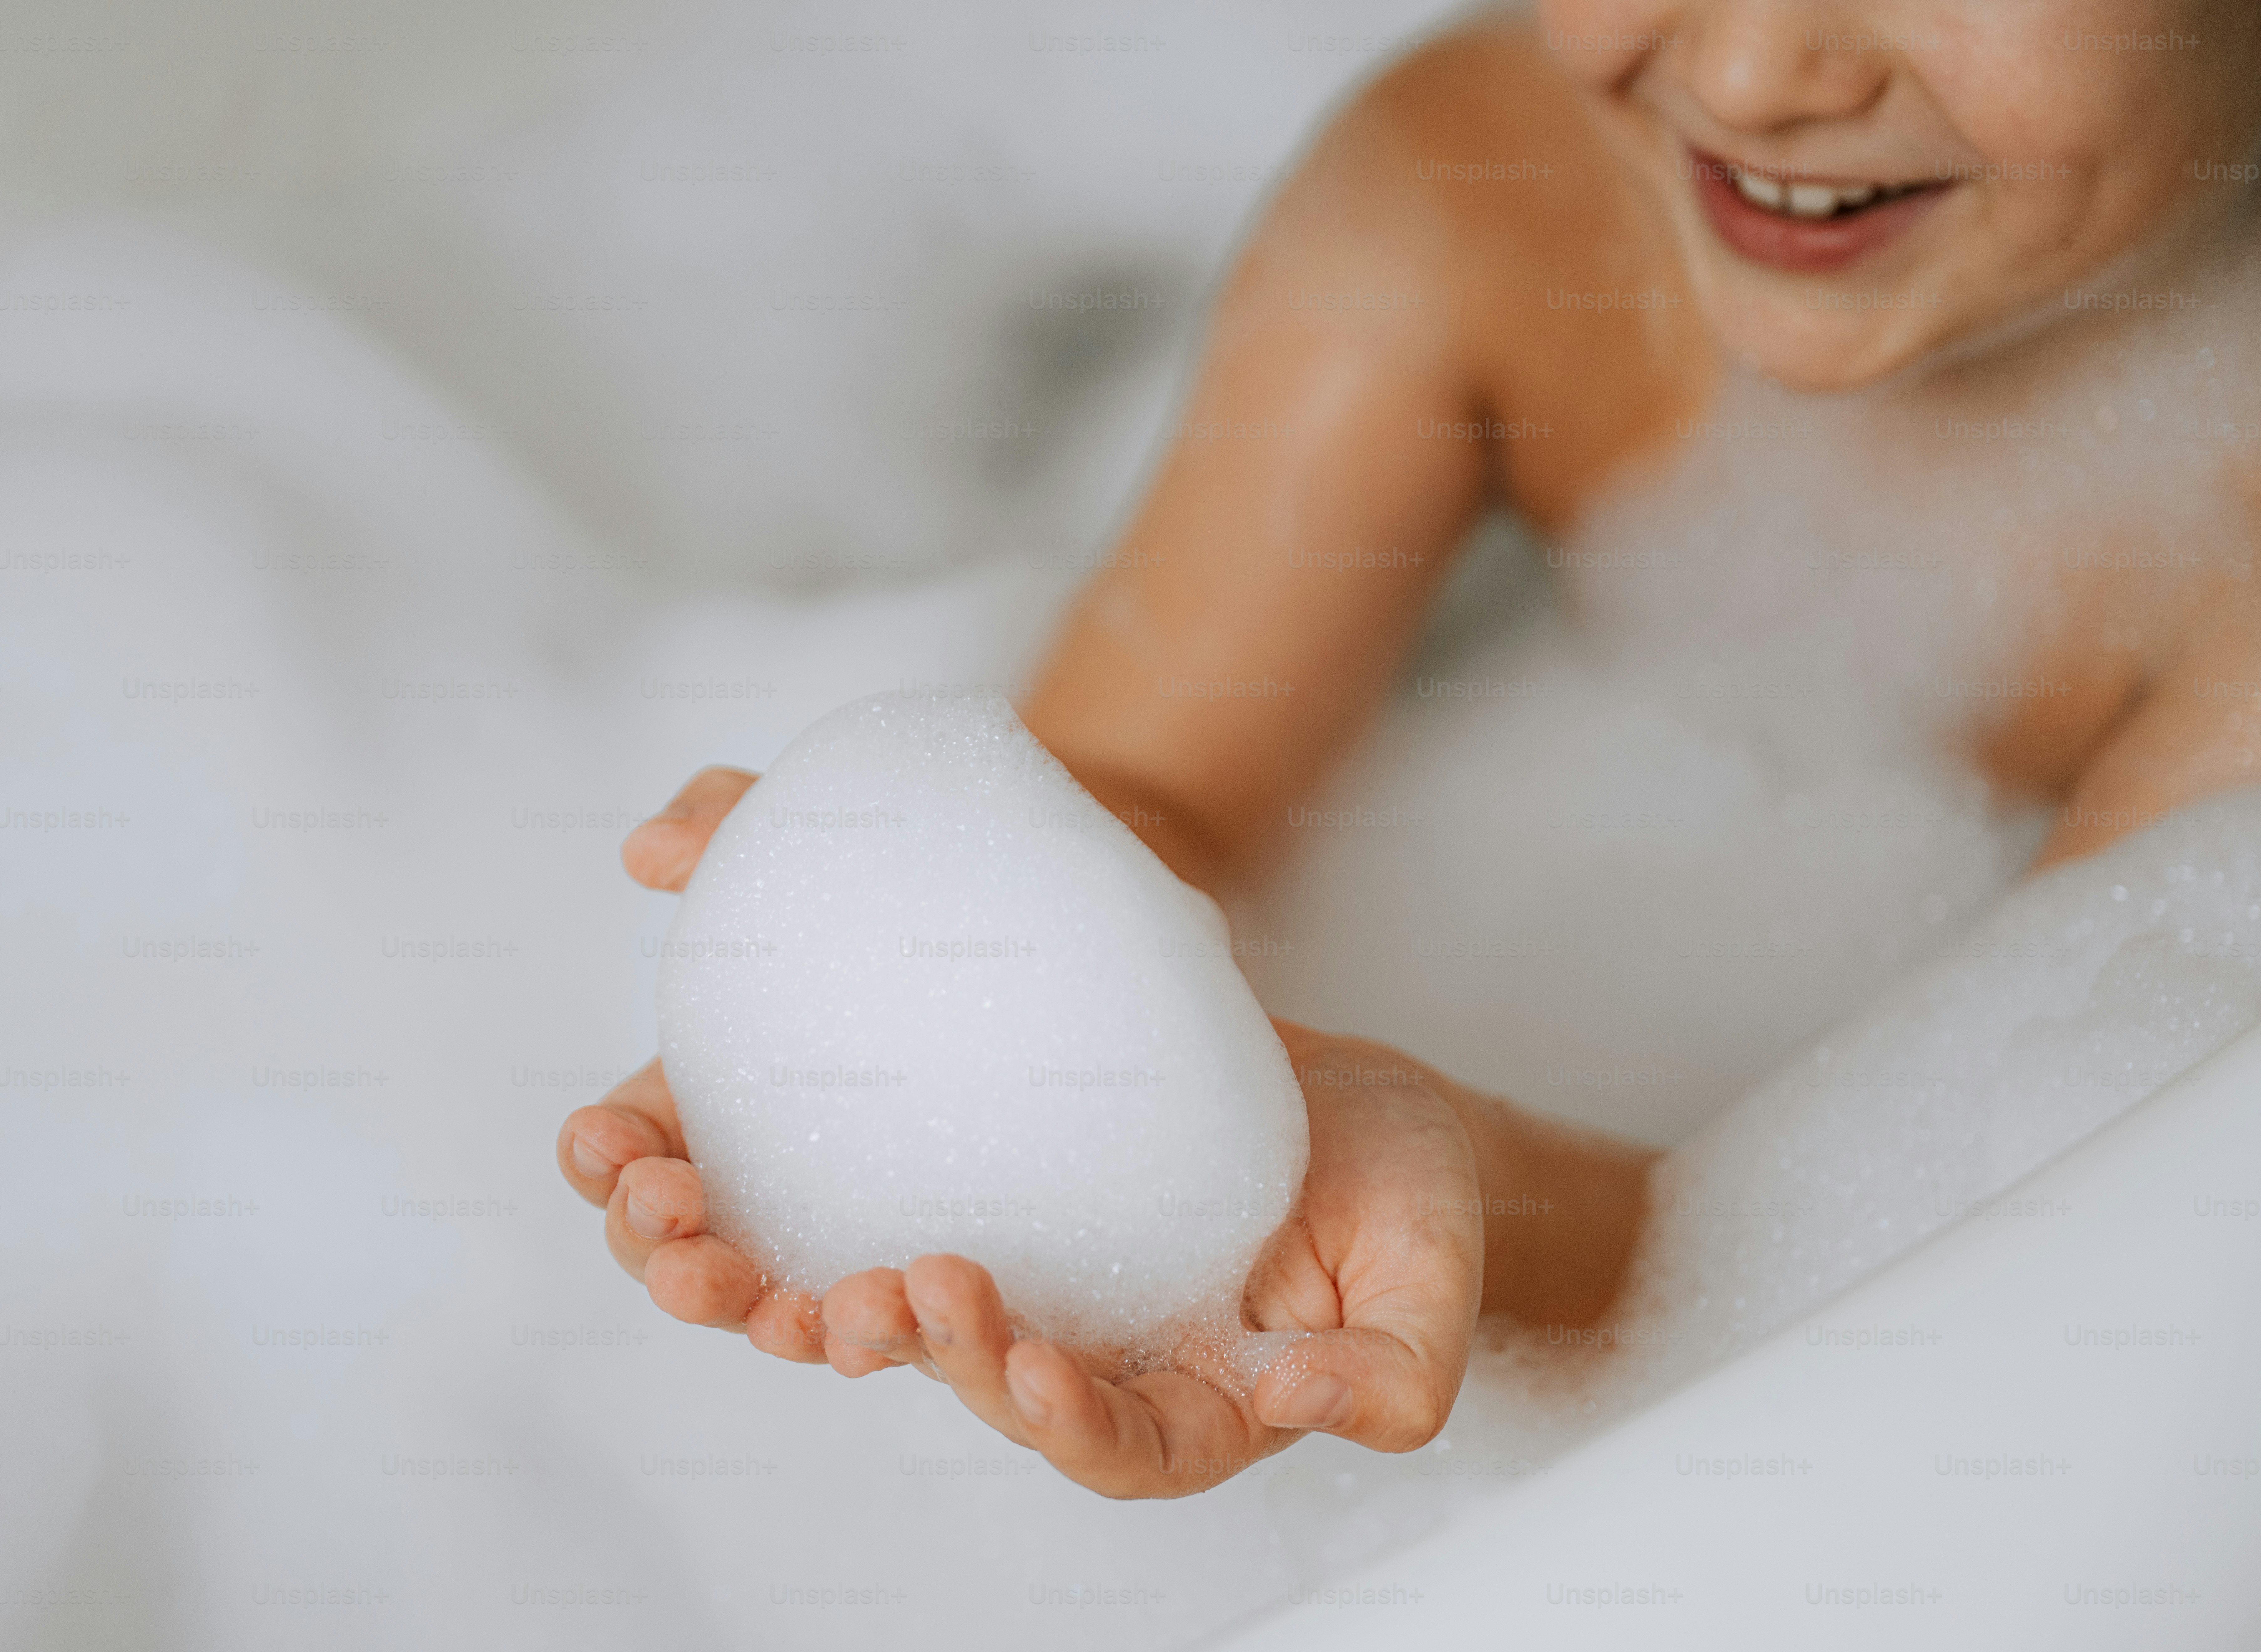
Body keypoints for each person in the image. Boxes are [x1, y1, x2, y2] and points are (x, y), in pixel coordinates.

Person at [559, 0, 2261, 1498]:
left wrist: (1480, 1213)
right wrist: (943, 979)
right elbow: (1142, 796)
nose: (1751, 66)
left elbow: (1957, 1259)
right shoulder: (1480, 193)